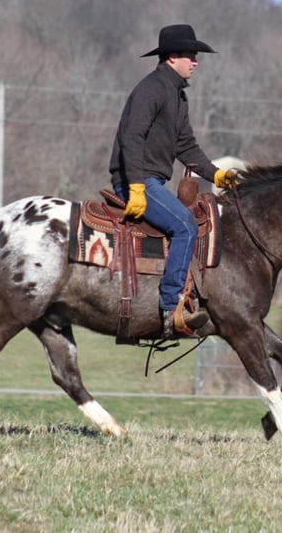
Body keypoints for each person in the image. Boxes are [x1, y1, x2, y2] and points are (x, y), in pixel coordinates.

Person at [109, 24, 237, 339]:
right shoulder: (151, 89)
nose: (196, 62)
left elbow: (186, 147)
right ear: (171, 58)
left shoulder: (178, 96)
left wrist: (215, 174)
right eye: (190, 56)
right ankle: (171, 308)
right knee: (185, 226)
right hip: (135, 181)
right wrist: (135, 186)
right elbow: (131, 138)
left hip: (151, 181)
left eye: (195, 56)